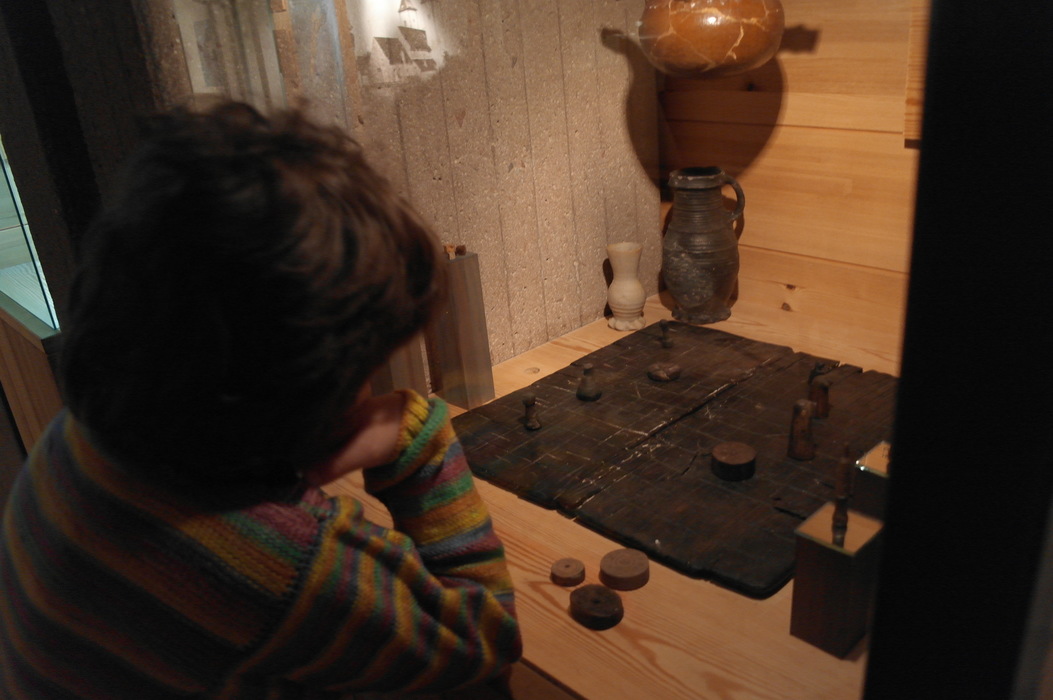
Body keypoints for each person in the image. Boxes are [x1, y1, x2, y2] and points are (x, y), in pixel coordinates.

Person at [0, 102, 521, 699]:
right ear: (294, 399)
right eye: (367, 369)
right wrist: (418, 439)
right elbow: (484, 641)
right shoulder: (291, 569)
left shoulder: (81, 435)